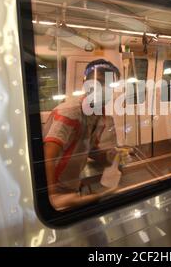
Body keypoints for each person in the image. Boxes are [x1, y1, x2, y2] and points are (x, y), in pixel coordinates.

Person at [43, 59, 120, 210]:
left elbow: (90, 149)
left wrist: (110, 158)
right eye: (98, 82)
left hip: (71, 187)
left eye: (108, 85)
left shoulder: (99, 115)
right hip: (54, 188)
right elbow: (48, 155)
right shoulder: (71, 112)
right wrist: (52, 196)